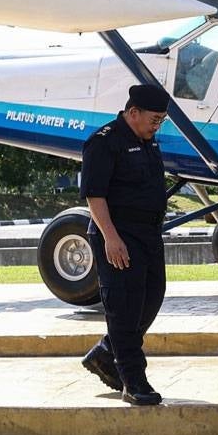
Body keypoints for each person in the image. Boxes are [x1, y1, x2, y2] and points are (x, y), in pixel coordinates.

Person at [79, 84, 172, 406]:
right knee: (124, 308)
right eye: (154, 119)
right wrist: (111, 238)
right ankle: (134, 381)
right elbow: (95, 195)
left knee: (152, 298)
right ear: (133, 112)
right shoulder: (105, 142)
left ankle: (106, 353)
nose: (156, 126)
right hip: (119, 234)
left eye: (161, 121)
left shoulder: (146, 141)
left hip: (148, 234)